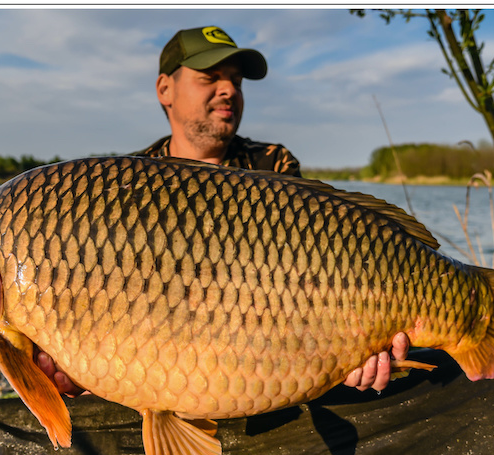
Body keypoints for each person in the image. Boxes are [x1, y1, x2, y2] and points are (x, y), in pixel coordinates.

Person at [39, 25, 410, 398]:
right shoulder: (129, 185)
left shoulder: (272, 166)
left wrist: (349, 350)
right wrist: (83, 369)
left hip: (264, 368)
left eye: (236, 80)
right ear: (164, 89)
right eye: (210, 78)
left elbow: (315, 282)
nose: (229, 89)